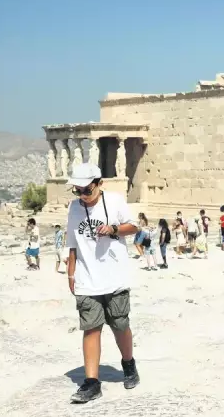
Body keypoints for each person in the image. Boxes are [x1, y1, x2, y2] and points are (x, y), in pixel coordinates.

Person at [65, 163, 139, 403]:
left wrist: (114, 228)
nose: (82, 195)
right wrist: (71, 273)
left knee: (119, 325)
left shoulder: (115, 201)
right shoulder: (74, 209)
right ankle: (91, 382)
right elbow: (73, 242)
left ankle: (128, 365)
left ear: (99, 183)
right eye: (77, 190)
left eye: (87, 189)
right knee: (91, 328)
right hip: (87, 278)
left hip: (115, 277)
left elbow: (133, 226)